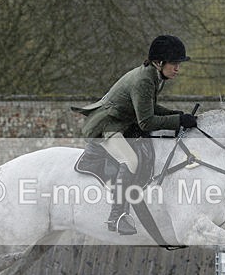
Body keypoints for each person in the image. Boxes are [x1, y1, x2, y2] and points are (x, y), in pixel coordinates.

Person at [72, 35, 198, 235]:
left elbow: (149, 107)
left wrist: (177, 115)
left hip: (123, 123)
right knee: (130, 160)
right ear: (159, 62)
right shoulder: (144, 80)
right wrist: (178, 121)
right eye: (174, 64)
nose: (177, 68)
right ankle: (117, 216)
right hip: (107, 125)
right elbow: (146, 122)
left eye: (178, 64)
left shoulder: (155, 77)